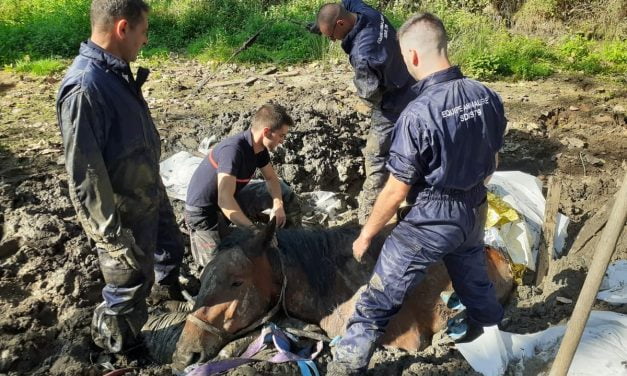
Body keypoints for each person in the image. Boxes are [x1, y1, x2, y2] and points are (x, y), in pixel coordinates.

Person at [327, 13, 508, 374]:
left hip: (432, 215)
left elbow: (396, 188)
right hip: (474, 207)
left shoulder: (418, 113)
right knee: (472, 275)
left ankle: (346, 364)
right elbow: (494, 155)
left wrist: (366, 235)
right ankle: (494, 340)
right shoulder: (486, 95)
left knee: (381, 294)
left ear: (410, 56)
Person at [56, 0, 185, 353]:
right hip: (123, 211)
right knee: (127, 285)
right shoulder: (85, 86)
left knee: (168, 251)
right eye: (143, 32)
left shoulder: (114, 72)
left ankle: (167, 298)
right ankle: (117, 349)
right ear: (122, 28)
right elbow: (85, 174)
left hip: (147, 191)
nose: (145, 41)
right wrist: (111, 236)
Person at [315, 0, 416, 224]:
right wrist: (321, 26)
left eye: (332, 36)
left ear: (341, 23)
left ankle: (368, 217)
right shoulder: (363, 12)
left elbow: (370, 93)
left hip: (392, 102)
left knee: (376, 156)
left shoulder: (363, 55)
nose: (332, 41)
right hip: (410, 78)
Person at [185, 103, 301, 267]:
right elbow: (224, 200)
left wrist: (278, 204)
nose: (282, 141)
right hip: (204, 212)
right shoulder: (233, 150)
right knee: (218, 270)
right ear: (266, 132)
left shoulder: (259, 149)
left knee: (284, 193)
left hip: (231, 199)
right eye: (281, 135)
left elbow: (272, 179)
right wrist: (253, 230)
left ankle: (290, 248)